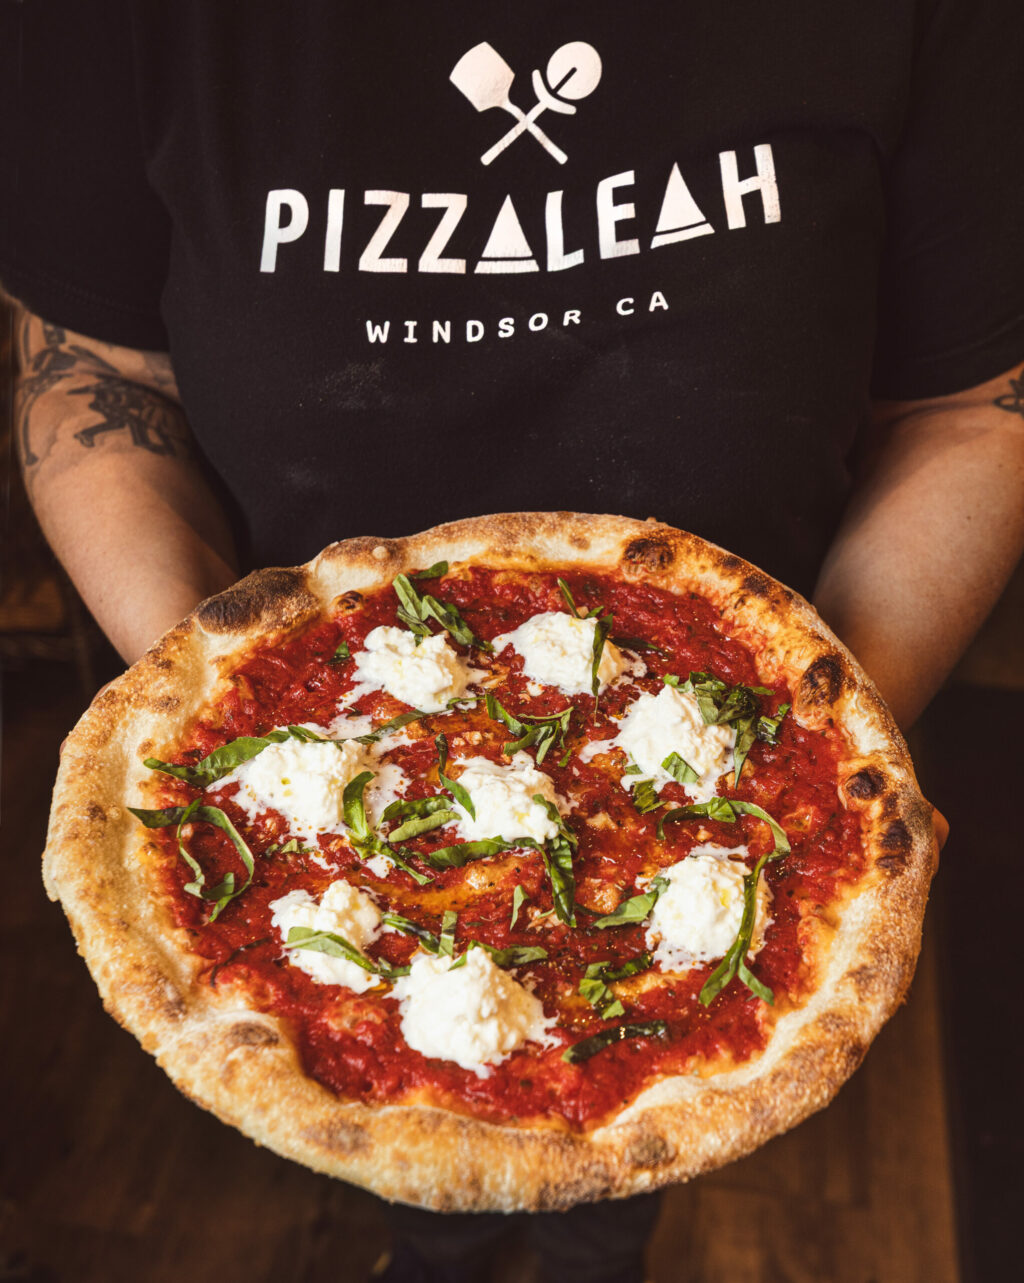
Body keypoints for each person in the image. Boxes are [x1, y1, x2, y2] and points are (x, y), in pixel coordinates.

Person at [3, 2, 1023, 1279]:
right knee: (416, 1169)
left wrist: (817, 766)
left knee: (622, 1168)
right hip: (300, 751)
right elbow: (96, 374)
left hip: (758, 738)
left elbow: (970, 402)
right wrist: (237, 751)